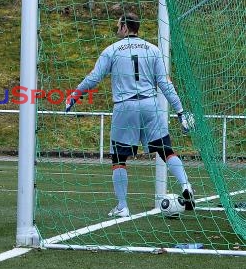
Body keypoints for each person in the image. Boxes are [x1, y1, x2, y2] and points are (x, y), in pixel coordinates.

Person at [65, 12, 195, 218]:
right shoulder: (153, 50)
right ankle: (186, 185)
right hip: (150, 105)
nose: (117, 29)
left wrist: (75, 94)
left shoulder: (112, 50)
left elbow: (94, 77)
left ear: (125, 27)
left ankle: (122, 206)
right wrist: (180, 111)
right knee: (165, 150)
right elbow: (166, 84)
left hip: (125, 107)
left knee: (118, 158)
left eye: (118, 26)